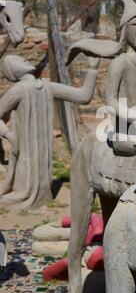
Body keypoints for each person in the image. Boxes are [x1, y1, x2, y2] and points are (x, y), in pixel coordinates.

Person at [0, 54, 99, 210]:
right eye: (17, 60)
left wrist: (93, 69)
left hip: (43, 151)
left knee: (41, 176)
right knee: (24, 180)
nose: (24, 58)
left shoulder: (47, 86)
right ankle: (25, 194)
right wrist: (9, 135)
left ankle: (41, 194)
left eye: (22, 57)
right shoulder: (18, 91)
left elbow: (83, 96)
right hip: (24, 149)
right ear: (12, 71)